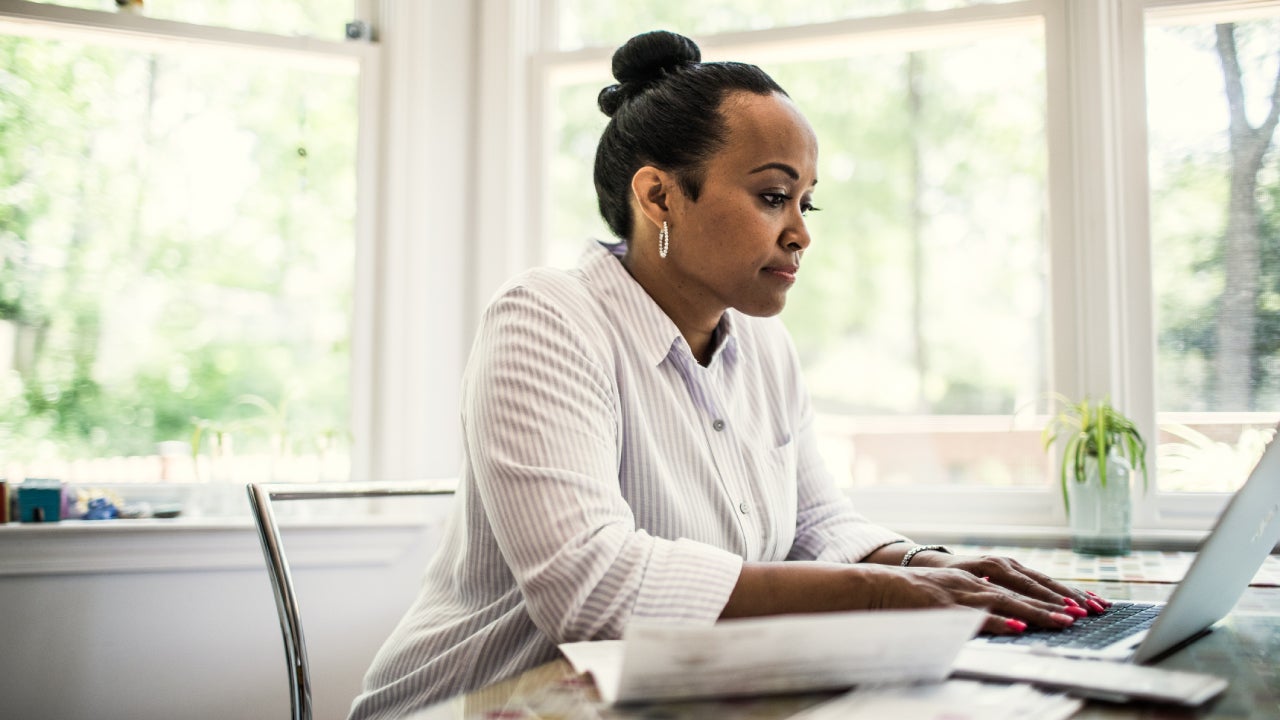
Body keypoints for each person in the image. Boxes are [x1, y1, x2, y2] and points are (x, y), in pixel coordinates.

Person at [348, 29, 1106, 719]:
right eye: (774, 196)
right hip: (468, 704)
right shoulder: (545, 317)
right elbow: (593, 588)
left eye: (806, 202)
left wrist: (926, 563)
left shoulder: (763, 345)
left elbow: (818, 525)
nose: (802, 232)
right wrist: (881, 592)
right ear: (659, 196)